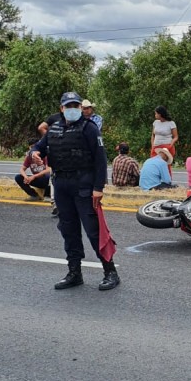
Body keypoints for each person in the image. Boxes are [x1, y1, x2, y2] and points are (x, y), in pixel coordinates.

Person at [30, 91, 120, 291]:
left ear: (80, 108)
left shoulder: (89, 128)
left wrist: (98, 188)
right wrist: (35, 153)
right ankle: (74, 272)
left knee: (94, 231)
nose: (72, 109)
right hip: (61, 185)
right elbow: (38, 147)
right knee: (68, 230)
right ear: (61, 109)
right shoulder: (54, 129)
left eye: (75, 106)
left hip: (84, 185)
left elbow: (100, 159)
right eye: (68, 106)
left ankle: (110, 271)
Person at [37, 106, 63, 217]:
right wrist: (49, 139)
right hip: (57, 153)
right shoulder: (55, 119)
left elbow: (41, 127)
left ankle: (57, 203)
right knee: (55, 177)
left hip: (59, 153)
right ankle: (56, 204)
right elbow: (41, 127)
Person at [151, 106, 177, 177]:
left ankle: (167, 180)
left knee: (166, 165)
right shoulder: (155, 122)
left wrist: (171, 144)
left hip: (166, 146)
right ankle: (156, 180)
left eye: (156, 114)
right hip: (156, 146)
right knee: (154, 164)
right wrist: (152, 145)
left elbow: (175, 137)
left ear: (160, 114)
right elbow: (153, 135)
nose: (155, 115)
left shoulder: (171, 123)